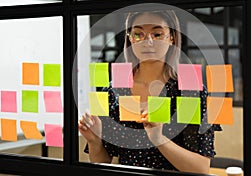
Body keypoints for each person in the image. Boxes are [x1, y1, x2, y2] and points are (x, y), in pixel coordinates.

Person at [78, 10, 222, 174]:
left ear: (172, 37)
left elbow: (201, 168)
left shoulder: (189, 90)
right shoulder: (114, 90)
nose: (148, 41)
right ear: (130, 38)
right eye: (138, 34)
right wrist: (94, 141)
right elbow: (103, 161)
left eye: (157, 34)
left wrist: (158, 139)